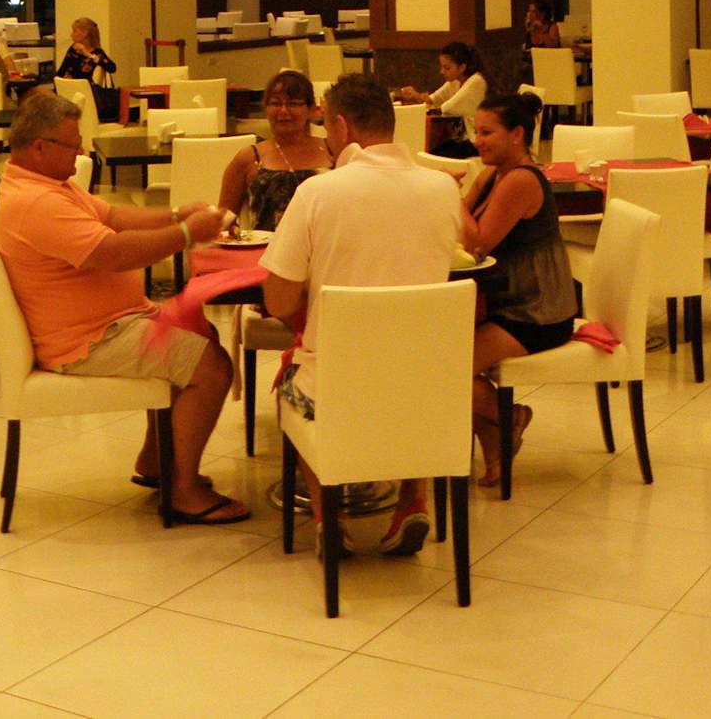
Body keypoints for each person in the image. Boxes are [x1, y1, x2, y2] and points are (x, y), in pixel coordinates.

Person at [0, 90, 248, 524]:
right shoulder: (36, 202)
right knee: (211, 367)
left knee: (201, 332)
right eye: (72, 145)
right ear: (39, 147)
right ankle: (183, 491)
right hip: (88, 341)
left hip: (108, 323)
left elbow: (114, 217)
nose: (80, 153)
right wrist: (187, 234)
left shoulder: (48, 186)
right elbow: (113, 253)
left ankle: (156, 462)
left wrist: (177, 214)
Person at [261, 74, 463, 557]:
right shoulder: (443, 188)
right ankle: (412, 500)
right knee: (409, 373)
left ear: (342, 126)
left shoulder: (319, 192)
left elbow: (279, 302)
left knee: (287, 386)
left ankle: (327, 517)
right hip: (428, 387)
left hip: (340, 387)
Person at [460, 93, 577, 487]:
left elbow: (477, 242)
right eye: (476, 132)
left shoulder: (522, 181)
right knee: (441, 356)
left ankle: (510, 416)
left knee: (446, 368)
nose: (478, 141)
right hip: (505, 303)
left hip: (536, 312)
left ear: (516, 135)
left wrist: (447, 196)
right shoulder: (491, 176)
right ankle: (498, 445)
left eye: (487, 133)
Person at [218, 69, 330, 229]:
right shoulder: (249, 158)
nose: (283, 111)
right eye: (276, 103)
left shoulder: (332, 151)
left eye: (293, 104)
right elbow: (223, 222)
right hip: (266, 244)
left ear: (312, 110)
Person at [55, 16, 120, 121]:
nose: (71, 34)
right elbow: (62, 70)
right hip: (69, 86)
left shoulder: (97, 53)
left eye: (75, 31)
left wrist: (88, 55)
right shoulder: (73, 49)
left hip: (85, 89)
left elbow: (112, 68)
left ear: (85, 33)